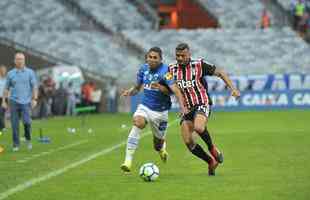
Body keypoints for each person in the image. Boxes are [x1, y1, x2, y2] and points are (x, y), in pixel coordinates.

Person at [169, 43, 240, 176]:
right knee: (188, 142)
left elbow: (220, 72)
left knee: (199, 127)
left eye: (182, 55)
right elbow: (168, 86)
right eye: (177, 55)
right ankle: (210, 162)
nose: (179, 58)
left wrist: (233, 89)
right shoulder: (171, 69)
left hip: (202, 102)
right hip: (187, 109)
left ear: (189, 54)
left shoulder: (199, 65)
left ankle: (212, 148)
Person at [120, 47, 187, 172]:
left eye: (155, 57)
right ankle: (127, 161)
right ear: (146, 58)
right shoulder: (143, 69)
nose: (151, 59)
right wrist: (129, 92)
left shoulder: (166, 72)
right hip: (145, 106)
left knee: (157, 144)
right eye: (150, 57)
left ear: (160, 59)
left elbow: (175, 91)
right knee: (138, 122)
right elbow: (137, 88)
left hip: (160, 112)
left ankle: (161, 149)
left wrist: (182, 107)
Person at [2, 52, 38, 152]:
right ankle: (16, 144)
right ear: (14, 61)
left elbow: (34, 86)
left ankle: (28, 138)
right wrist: (4, 101)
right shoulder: (10, 74)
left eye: (21, 59)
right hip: (13, 101)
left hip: (26, 102)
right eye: (17, 59)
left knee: (27, 122)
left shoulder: (30, 72)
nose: (19, 61)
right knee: (14, 124)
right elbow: (6, 88)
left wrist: (34, 99)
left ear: (24, 60)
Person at [0, 65, 7, 134]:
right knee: (1, 113)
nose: (3, 71)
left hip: (4, 98)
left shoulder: (7, 80)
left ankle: (2, 127)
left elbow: (8, 90)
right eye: (1, 70)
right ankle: (2, 127)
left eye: (4, 70)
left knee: (2, 113)